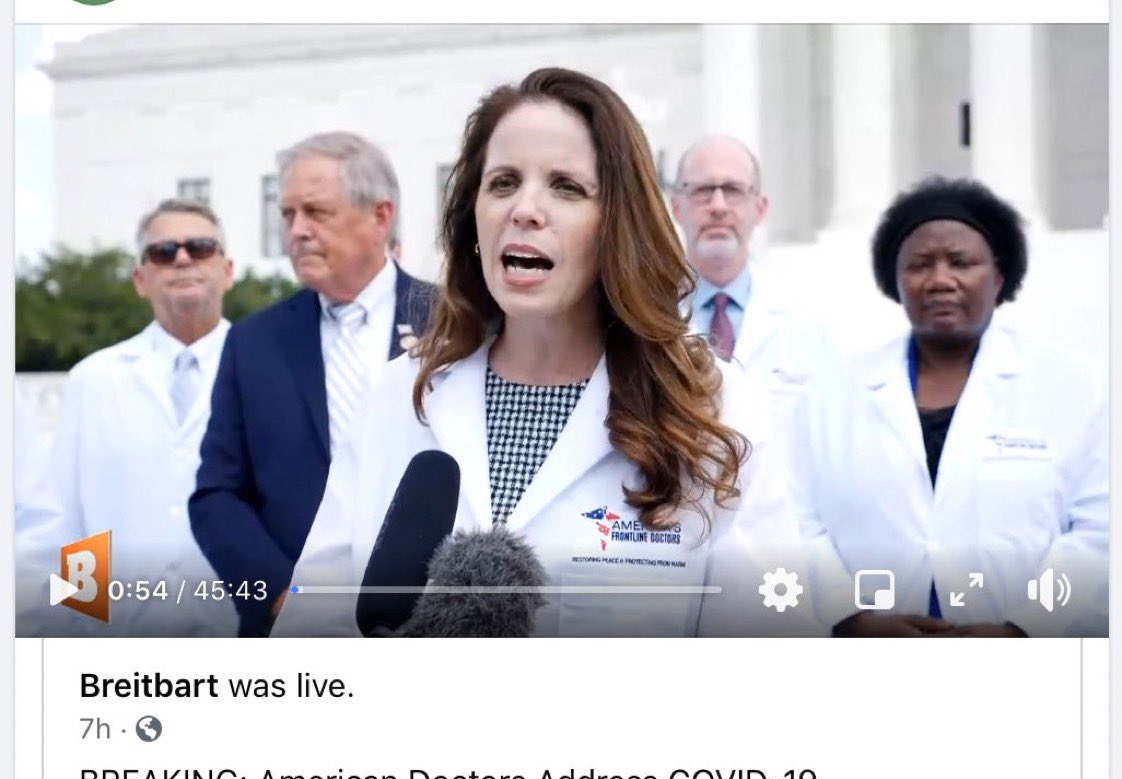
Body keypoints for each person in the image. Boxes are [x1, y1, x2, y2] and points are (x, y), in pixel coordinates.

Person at [284, 68, 819, 638]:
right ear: (473, 219)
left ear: (617, 224)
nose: (525, 209)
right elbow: (310, 618)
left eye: (566, 186)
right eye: (504, 182)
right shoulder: (398, 396)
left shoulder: (714, 405)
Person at [792, 177, 1107, 637]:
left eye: (961, 262)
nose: (940, 280)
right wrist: (851, 618)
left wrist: (1022, 629)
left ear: (999, 276)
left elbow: (1102, 530)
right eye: (920, 265)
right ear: (895, 280)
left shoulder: (1077, 386)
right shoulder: (831, 393)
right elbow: (797, 520)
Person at [189, 132, 433, 637]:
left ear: (380, 217)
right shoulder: (254, 342)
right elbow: (217, 494)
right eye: (287, 215)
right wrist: (280, 596)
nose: (295, 231)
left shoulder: (456, 325)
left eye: (316, 212)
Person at [17, 198, 238, 636]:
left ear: (227, 270)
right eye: (163, 252)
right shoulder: (94, 379)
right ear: (140, 279)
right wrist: (76, 630)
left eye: (200, 247)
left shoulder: (268, 373)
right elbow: (71, 522)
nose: (182, 259)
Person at [670, 136, 822, 404]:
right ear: (677, 207)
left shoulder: (808, 319)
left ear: (760, 209)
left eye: (733, 190)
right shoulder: (644, 315)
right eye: (703, 190)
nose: (718, 206)